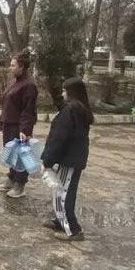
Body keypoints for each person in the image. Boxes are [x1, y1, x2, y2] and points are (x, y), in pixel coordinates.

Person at [41, 77, 92, 240]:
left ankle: (74, 230)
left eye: (64, 90)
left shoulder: (71, 110)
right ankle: (60, 221)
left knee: (64, 193)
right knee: (61, 189)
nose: (62, 93)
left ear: (71, 92)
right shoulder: (79, 108)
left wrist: (47, 159)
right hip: (71, 158)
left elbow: (59, 137)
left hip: (70, 160)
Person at [0, 52, 38, 198]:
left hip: (18, 127)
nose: (10, 68)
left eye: (13, 65)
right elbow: (7, 104)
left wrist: (25, 130)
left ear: (22, 67)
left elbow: (28, 110)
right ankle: (11, 178)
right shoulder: (15, 82)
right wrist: (1, 123)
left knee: (21, 155)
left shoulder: (29, 85)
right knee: (11, 154)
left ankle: (20, 184)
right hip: (9, 124)